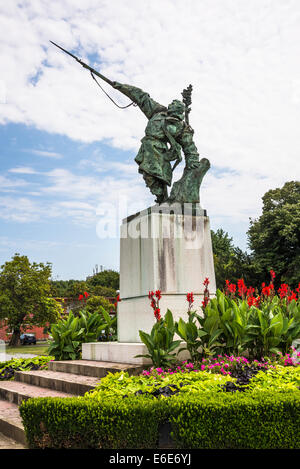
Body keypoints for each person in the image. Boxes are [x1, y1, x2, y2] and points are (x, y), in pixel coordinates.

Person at [112, 81, 200, 204]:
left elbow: (189, 147)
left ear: (180, 111)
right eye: (172, 103)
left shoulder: (181, 127)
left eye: (175, 104)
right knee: (149, 176)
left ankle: (162, 198)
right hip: (147, 147)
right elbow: (142, 97)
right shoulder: (157, 112)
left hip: (160, 152)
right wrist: (120, 87)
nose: (171, 104)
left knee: (156, 177)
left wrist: (192, 162)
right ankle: (161, 199)